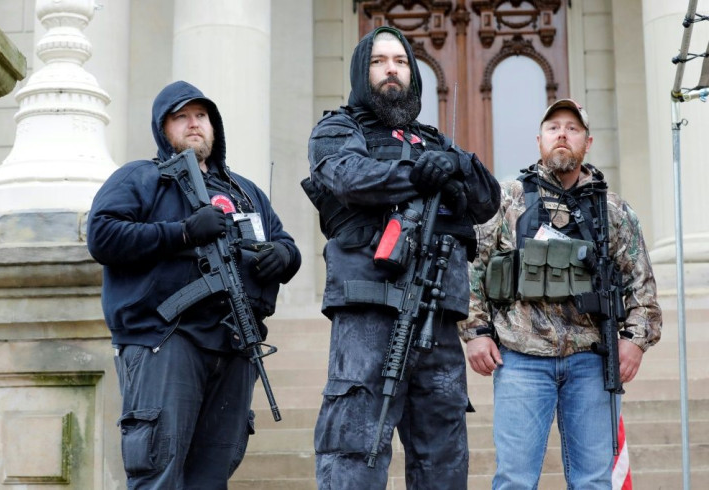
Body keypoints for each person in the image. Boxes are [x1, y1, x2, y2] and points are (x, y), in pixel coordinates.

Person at [304, 26, 501, 489]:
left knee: (443, 454)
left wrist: (455, 164)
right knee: (355, 446)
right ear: (361, 70)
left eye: (400, 61)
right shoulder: (337, 129)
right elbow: (350, 178)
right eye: (379, 61)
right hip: (370, 309)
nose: (391, 70)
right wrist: (420, 173)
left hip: (436, 315)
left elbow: (487, 199)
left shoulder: (435, 142)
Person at [87, 80, 301, 489]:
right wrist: (181, 233)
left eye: (201, 116)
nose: (193, 124)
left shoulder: (245, 190)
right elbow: (103, 235)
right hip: (167, 340)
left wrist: (285, 256)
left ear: (213, 124)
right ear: (162, 128)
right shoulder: (141, 177)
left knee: (210, 477)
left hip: (236, 345)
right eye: (180, 117)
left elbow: (284, 241)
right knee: (158, 470)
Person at [462, 98, 662, 488]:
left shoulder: (613, 210)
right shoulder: (507, 199)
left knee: (593, 482)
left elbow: (642, 286)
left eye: (572, 128)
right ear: (539, 140)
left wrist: (635, 341)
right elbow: (472, 266)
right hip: (520, 359)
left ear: (587, 142)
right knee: (514, 480)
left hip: (591, 360)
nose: (562, 135)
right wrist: (475, 332)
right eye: (554, 128)